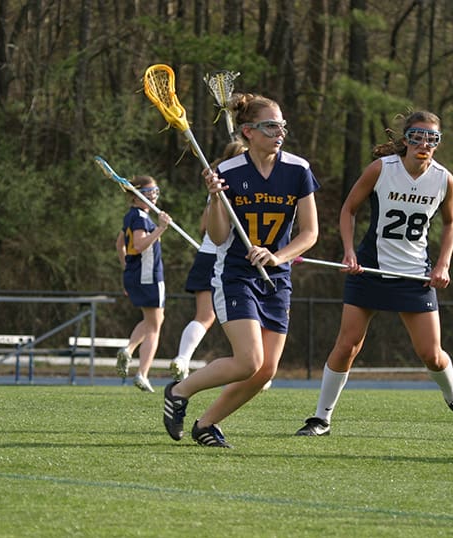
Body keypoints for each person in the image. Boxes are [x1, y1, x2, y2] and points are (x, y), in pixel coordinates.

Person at [295, 110, 453, 436]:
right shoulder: (382, 168)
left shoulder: (443, 179)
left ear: (438, 143)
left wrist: (443, 264)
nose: (424, 144)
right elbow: (348, 210)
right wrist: (349, 251)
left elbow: (451, 222)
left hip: (414, 276)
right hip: (369, 268)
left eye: (431, 138)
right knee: (348, 344)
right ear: (406, 140)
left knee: (431, 355)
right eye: (417, 136)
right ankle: (321, 419)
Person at [163, 93, 320, 447]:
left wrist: (278, 257)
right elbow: (218, 236)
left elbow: (310, 233)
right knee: (249, 361)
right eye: (270, 126)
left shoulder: (298, 169)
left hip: (277, 278)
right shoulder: (227, 172)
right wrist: (217, 198)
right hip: (236, 274)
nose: (279, 132)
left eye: (282, 125)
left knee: (265, 372)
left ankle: (206, 425)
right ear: (248, 131)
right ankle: (179, 391)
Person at [168, 140, 247, 382]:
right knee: (242, 316)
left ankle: (182, 359)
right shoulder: (238, 186)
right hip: (227, 258)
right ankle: (252, 369)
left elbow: (204, 226)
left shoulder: (216, 186)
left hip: (206, 254)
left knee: (204, 315)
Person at [115, 175, 171, 393]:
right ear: (137, 196)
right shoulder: (140, 218)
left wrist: (126, 268)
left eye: (156, 192)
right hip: (149, 277)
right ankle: (139, 369)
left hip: (136, 275)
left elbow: (120, 244)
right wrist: (161, 228)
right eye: (149, 193)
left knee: (151, 322)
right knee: (154, 326)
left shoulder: (131, 216)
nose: (154, 197)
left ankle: (133, 359)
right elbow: (138, 245)